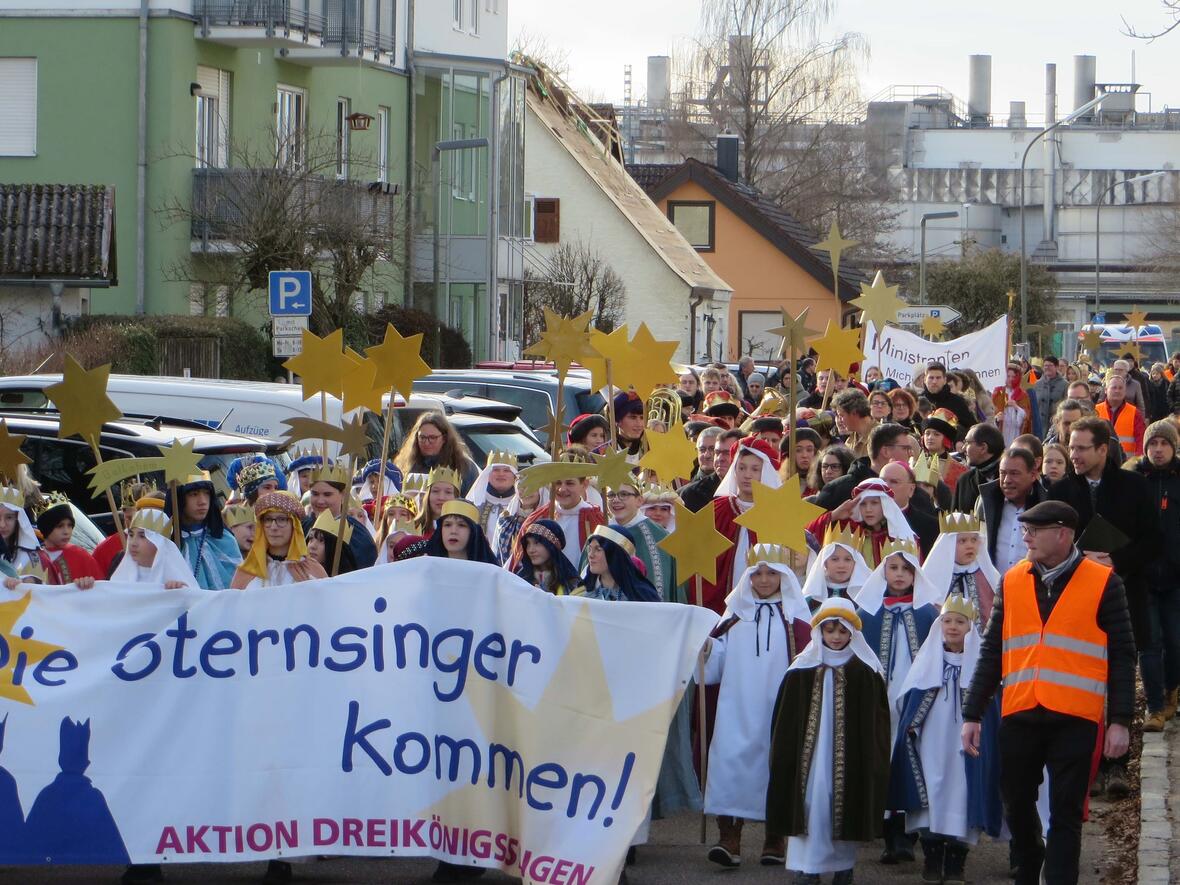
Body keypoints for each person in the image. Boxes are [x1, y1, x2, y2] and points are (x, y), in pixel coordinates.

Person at [961, 500, 1136, 885]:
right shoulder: (1012, 579)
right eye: (1024, 530)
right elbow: (993, 649)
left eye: (1033, 531)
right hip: (1020, 711)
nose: (1025, 538)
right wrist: (973, 713)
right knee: (1016, 803)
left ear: (1063, 534)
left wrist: (1121, 722)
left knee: (1066, 814)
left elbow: (1123, 656)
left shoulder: (1105, 583)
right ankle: (1030, 858)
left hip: (1076, 717)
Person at [1049, 414, 1158, 789]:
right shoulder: (1061, 490)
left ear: (1102, 448)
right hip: (1076, 598)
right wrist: (1078, 562)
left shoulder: (1134, 487)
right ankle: (1089, 765)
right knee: (1082, 683)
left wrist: (1116, 560)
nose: (1074, 454)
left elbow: (1152, 540)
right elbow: (1051, 543)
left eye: (1081, 448)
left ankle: (1117, 765)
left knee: (1119, 677)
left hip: (1123, 593)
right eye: (1071, 447)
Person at [765, 596, 890, 885]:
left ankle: (843, 866)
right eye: (829, 630)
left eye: (842, 631)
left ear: (852, 633)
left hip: (850, 759)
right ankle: (806, 867)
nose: (835, 636)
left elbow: (876, 725)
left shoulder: (865, 673)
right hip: (809, 761)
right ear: (819, 630)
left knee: (843, 802)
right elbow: (784, 724)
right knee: (809, 803)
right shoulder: (801, 670)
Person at [703, 544, 812, 869]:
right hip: (736, 707)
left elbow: (807, 662)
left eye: (772, 573)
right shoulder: (734, 616)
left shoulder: (795, 619)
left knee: (776, 766)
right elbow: (714, 666)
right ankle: (729, 838)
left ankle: (775, 838)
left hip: (778, 709)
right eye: (758, 573)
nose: (764, 580)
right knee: (731, 764)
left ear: (785, 576)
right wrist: (706, 649)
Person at [890, 595, 1002, 885]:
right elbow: (909, 700)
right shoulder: (928, 661)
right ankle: (932, 856)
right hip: (931, 742)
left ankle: (956, 862)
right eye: (948, 621)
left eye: (960, 622)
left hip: (966, 745)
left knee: (962, 794)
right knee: (931, 791)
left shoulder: (981, 667)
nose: (953, 627)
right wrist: (912, 728)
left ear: (971, 627)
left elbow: (992, 711)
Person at [853, 539, 939, 864]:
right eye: (893, 567)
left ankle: (909, 832)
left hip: (916, 703)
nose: (900, 574)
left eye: (907, 568)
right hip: (882, 703)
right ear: (882, 571)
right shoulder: (868, 614)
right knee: (883, 757)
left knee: (914, 760)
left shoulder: (928, 614)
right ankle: (887, 831)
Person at [1129, 419, 1180, 731]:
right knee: (1149, 642)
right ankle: (1155, 706)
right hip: (1142, 575)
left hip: (1176, 575)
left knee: (1174, 640)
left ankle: (1172, 688)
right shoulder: (1133, 479)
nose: (1158, 450)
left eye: (1164, 444)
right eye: (1153, 444)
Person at [704, 437, 781, 612]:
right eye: (742, 468)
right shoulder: (719, 508)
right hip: (723, 593)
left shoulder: (776, 512)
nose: (747, 475)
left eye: (755, 469)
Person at [510, 455, 606, 571]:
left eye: (570, 483)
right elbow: (519, 560)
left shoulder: (595, 519)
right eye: (558, 483)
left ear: (584, 485)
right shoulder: (537, 518)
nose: (562, 489)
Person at [974, 447, 1046, 577]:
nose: (1007, 480)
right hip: (994, 589)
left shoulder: (1045, 507)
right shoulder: (987, 503)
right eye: (1003, 473)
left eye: (1014, 473)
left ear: (1033, 475)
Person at [230, 491, 325, 589]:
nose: (273, 527)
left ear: (294, 525)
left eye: (282, 519)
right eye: (268, 519)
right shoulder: (247, 571)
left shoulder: (311, 570)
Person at [603, 477, 676, 601]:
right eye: (611, 495)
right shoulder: (601, 533)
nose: (616, 500)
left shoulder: (660, 537)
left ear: (639, 500)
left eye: (624, 494)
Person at [922, 512, 1000, 628]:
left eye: (974, 540)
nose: (970, 546)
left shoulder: (986, 575)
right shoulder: (936, 576)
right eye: (962, 541)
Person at [164, 473, 241, 590]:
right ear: (178, 498)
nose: (203, 501)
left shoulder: (225, 539)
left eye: (206, 493)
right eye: (193, 494)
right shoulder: (166, 545)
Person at [108, 501, 198, 589]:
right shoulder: (121, 580)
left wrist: (178, 593)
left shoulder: (177, 583)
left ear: (159, 542)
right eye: (131, 535)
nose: (133, 543)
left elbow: (194, 600)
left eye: (142, 536)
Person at [302, 464, 377, 568]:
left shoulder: (357, 534)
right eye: (315, 494)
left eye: (327, 494)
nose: (320, 501)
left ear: (342, 495)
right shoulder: (302, 526)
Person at [394, 412, 480, 494]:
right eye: (422, 437)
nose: (427, 443)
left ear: (444, 438)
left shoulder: (464, 467)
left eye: (432, 438)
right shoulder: (406, 465)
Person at [32, 492, 104, 588]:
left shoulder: (80, 555)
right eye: (60, 526)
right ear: (47, 528)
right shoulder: (35, 559)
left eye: (70, 525)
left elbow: (102, 588)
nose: (66, 531)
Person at [574, 525, 661, 602]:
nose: (590, 555)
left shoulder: (643, 596)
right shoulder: (580, 595)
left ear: (615, 555)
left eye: (598, 549)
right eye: (590, 549)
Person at [92, 480, 155, 578]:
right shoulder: (105, 550)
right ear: (124, 515)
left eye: (140, 518)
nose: (135, 524)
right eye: (130, 518)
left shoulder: (166, 545)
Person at [800, 524, 872, 608]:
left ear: (856, 563)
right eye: (835, 559)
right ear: (825, 562)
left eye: (847, 559)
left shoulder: (864, 596)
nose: (841, 565)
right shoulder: (813, 596)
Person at [878, 460, 939, 557]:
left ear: (911, 489)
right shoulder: (865, 521)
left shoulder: (931, 526)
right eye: (882, 481)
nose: (886, 487)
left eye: (894, 482)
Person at [514, 519, 580, 595]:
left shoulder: (571, 583)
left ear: (551, 546)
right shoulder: (521, 578)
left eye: (536, 543)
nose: (530, 550)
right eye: (528, 544)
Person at [0, 485, 51, 582]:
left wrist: (22, 583)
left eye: (9, 517)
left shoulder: (31, 557)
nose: (2, 525)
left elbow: (38, 592)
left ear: (18, 520)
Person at [422, 500, 498, 563]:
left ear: (473, 532)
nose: (453, 531)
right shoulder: (426, 567)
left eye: (461, 525)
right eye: (447, 525)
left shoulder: (489, 573)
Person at [952, 423, 1004, 514]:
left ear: (983, 448)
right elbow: (954, 520)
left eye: (967, 443)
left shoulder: (1008, 478)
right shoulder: (964, 480)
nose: (963, 448)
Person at [490, 479, 544, 565]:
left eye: (532, 487)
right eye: (522, 487)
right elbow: (496, 551)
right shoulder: (505, 519)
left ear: (541, 491)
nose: (526, 491)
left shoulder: (546, 520)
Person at [679, 427, 732, 512]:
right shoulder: (685, 493)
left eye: (713, 449)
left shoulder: (742, 489)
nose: (707, 455)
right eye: (702, 450)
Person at [465, 451, 519, 533]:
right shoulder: (475, 502)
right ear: (487, 474)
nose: (501, 474)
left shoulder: (522, 504)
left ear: (515, 476)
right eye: (496, 470)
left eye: (506, 470)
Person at [1096, 373, 1145, 456]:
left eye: (1120, 388)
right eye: (1114, 387)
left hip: (1126, 464)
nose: (1117, 391)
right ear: (1106, 390)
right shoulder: (1096, 411)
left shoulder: (1134, 413)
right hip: (1100, 462)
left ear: (1125, 391)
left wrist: (1136, 463)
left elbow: (1141, 441)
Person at [922, 409, 968, 491]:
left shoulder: (960, 470)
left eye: (936, 434)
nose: (930, 437)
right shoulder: (914, 464)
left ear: (946, 439)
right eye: (927, 433)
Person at [922, 363, 975, 432]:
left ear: (944, 380)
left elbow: (971, 428)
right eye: (931, 378)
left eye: (938, 378)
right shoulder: (917, 401)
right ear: (925, 380)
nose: (934, 381)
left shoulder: (958, 402)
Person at [305, 509, 359, 576]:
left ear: (335, 547)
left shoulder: (348, 581)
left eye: (321, 540)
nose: (312, 546)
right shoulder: (297, 575)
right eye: (311, 539)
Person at [413, 466, 460, 539]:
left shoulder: (463, 530)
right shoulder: (413, 527)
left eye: (448, 492)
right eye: (435, 491)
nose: (441, 497)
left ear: (456, 497)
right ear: (428, 495)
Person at [1033, 356, 1068, 438]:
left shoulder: (1065, 385)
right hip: (1039, 426)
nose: (1047, 368)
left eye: (1050, 365)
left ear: (1056, 367)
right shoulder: (1037, 384)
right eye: (1045, 366)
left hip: (1055, 426)